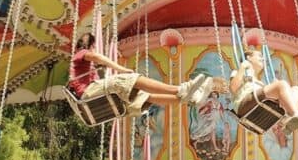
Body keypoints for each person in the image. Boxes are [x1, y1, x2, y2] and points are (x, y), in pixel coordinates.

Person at [68, 33, 213, 116]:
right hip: (90, 94)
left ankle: (193, 98)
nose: (94, 50)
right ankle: (180, 89)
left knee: (146, 97)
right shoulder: (80, 54)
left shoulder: (81, 69)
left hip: (92, 98)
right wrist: (121, 69)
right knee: (130, 79)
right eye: (93, 47)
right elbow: (99, 58)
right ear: (89, 46)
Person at [230, 50, 298, 134]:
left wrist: (277, 89)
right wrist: (242, 67)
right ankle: (295, 115)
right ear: (249, 58)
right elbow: (233, 88)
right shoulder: (238, 73)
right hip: (244, 105)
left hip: (258, 105)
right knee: (281, 84)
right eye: (260, 56)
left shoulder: (259, 83)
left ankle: (289, 119)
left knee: (297, 90)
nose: (263, 59)